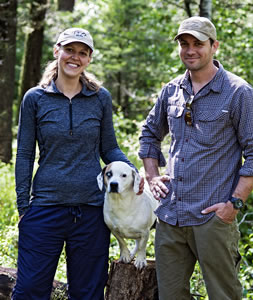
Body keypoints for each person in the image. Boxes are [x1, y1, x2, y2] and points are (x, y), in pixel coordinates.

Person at [138, 16, 253, 299]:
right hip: (170, 216)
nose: (190, 50)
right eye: (184, 44)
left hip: (213, 218)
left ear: (214, 46)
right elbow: (149, 134)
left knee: (224, 295)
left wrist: (233, 204)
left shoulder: (238, 92)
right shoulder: (171, 90)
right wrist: (151, 176)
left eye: (198, 43)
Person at [13, 27, 143, 300]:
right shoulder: (35, 98)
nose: (75, 57)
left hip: (92, 212)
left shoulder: (100, 98)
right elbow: (24, 154)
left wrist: (135, 174)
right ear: (57, 51)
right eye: (70, 50)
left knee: (87, 293)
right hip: (45, 208)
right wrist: (23, 207)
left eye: (82, 53)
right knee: (29, 291)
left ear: (89, 59)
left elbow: (109, 148)